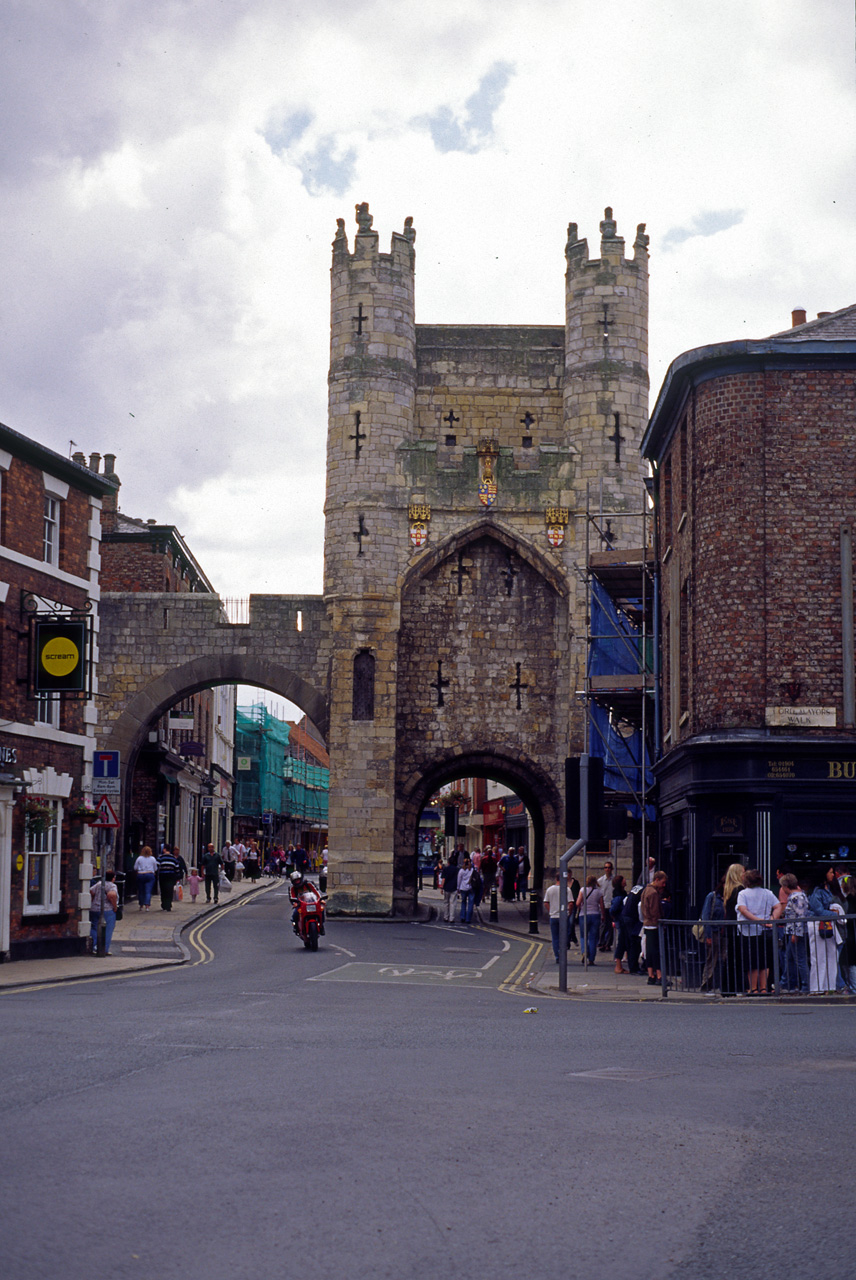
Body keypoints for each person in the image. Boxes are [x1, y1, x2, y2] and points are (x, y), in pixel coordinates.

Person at [736, 869, 779, 994]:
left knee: (752, 962)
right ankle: (764, 988)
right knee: (764, 961)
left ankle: (753, 988)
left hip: (748, 931)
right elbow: (778, 906)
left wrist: (758, 920)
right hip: (765, 931)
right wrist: (771, 919)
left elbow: (743, 910)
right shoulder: (768, 893)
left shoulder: (743, 894)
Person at [808, 866, 846, 993]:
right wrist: (835, 914)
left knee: (831, 956)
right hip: (818, 923)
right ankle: (817, 988)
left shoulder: (826, 889)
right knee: (819, 957)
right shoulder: (817, 891)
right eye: (830, 872)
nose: (833, 875)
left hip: (827, 923)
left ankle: (829, 987)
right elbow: (818, 910)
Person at [779, 873, 810, 993]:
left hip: (796, 933)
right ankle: (786, 983)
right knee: (789, 958)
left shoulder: (796, 898)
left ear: (786, 886)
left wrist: (796, 934)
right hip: (794, 932)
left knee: (800, 959)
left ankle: (805, 986)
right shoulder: (798, 896)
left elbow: (800, 916)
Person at [721, 863, 746, 996]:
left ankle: (727, 988)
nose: (744, 874)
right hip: (737, 928)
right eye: (742, 872)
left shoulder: (728, 889)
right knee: (738, 958)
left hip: (729, 928)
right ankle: (737, 987)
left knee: (730, 958)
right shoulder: (740, 889)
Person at [640, 870, 668, 985]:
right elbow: (655, 911)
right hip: (654, 925)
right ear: (656, 880)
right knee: (656, 951)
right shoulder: (653, 893)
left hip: (647, 924)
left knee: (650, 951)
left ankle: (651, 975)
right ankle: (659, 976)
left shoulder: (646, 890)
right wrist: (659, 921)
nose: (664, 885)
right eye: (663, 882)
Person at [699, 876, 726, 993]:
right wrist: (708, 935)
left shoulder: (732, 897)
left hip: (725, 932)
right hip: (714, 932)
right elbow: (706, 916)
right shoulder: (713, 896)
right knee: (711, 958)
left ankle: (722, 984)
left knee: (725, 958)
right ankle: (706, 984)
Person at [576, 874, 604, 966]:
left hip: (584, 915)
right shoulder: (599, 892)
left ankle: (584, 951)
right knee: (593, 938)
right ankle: (591, 959)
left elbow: (578, 903)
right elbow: (601, 905)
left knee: (584, 936)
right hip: (595, 915)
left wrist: (581, 907)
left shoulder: (582, 890)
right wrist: (603, 915)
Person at [90, 870, 119, 955]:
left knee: (94, 928)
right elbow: (111, 895)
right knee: (108, 930)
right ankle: (104, 949)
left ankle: (94, 947)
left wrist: (93, 900)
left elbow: (91, 891)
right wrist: (115, 906)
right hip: (107, 910)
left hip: (94, 909)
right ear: (113, 878)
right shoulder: (112, 886)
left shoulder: (98, 884)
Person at [542, 872, 567, 963]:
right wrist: (568, 913)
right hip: (563, 917)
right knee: (563, 937)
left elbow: (545, 903)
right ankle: (562, 955)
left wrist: (551, 911)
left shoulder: (549, 889)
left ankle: (557, 956)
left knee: (555, 937)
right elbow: (571, 904)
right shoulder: (567, 890)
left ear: (556, 879)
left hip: (553, 917)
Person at [621, 881, 644, 974]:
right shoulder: (645, 890)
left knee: (629, 942)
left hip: (626, 915)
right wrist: (642, 919)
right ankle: (634, 967)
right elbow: (640, 906)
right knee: (635, 942)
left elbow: (625, 900)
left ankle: (632, 966)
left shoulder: (637, 887)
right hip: (633, 918)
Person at [610, 874, 629, 973]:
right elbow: (613, 909)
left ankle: (620, 963)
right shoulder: (619, 895)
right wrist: (615, 917)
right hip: (621, 920)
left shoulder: (621, 893)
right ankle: (618, 965)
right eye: (623, 880)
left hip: (621, 919)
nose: (625, 881)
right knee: (621, 941)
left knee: (623, 940)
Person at [133, 845, 157, 911]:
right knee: (148, 891)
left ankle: (141, 905)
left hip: (140, 875)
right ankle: (147, 906)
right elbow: (155, 868)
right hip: (149, 874)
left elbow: (135, 868)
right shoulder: (153, 859)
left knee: (141, 891)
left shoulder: (139, 858)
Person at [598, 860, 615, 950]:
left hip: (611, 905)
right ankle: (601, 942)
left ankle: (608, 944)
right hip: (604, 905)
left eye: (609, 867)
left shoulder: (614, 880)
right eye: (606, 867)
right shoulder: (600, 881)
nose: (607, 869)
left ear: (611, 869)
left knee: (611, 926)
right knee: (603, 925)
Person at [440, 856, 459, 924]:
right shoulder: (457, 869)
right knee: (452, 903)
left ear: (448, 862)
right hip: (454, 887)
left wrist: (442, 887)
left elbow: (443, 879)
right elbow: (458, 879)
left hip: (446, 888)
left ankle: (446, 917)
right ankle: (451, 918)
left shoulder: (446, 869)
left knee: (446, 902)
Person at [457, 856, 476, 925]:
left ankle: (462, 917)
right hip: (471, 888)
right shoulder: (472, 870)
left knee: (463, 902)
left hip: (463, 888)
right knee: (471, 904)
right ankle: (468, 919)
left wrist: (458, 888)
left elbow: (459, 880)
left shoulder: (461, 871)